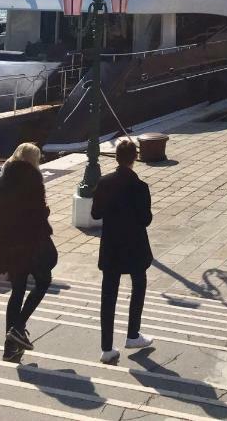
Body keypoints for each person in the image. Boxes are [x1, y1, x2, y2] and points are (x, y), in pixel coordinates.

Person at [0, 149, 57, 363]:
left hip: (9, 249)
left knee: (17, 291)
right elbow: (37, 218)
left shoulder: (2, 184)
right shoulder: (32, 182)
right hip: (29, 246)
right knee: (44, 282)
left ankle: (10, 349)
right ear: (32, 161)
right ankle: (17, 328)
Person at [91, 139, 154, 365]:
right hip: (135, 246)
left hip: (111, 247)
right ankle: (133, 334)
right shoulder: (140, 187)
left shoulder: (104, 182)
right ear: (134, 158)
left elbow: (96, 214)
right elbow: (146, 219)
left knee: (108, 296)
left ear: (116, 157)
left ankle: (106, 348)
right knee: (139, 286)